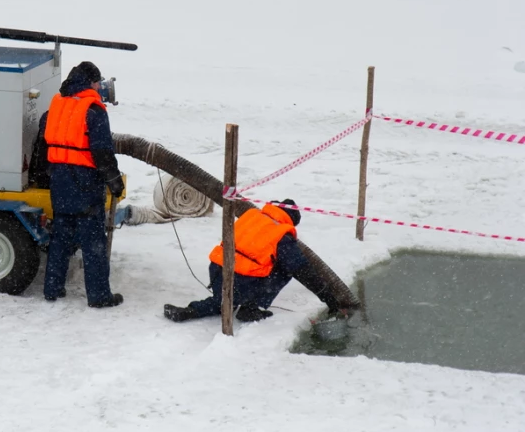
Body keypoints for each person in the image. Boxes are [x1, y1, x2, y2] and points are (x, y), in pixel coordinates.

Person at [163, 199, 349, 323]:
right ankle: (251, 308)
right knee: (288, 268)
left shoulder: (252, 216)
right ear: (290, 220)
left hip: (219, 271)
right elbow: (303, 271)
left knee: (224, 300)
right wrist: (330, 300)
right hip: (242, 280)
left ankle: (191, 311)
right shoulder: (280, 234)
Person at [42, 61, 126, 308]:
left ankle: (52, 289)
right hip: (85, 184)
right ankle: (99, 296)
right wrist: (115, 183)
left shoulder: (57, 104)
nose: (100, 86)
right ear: (90, 82)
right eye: (98, 81)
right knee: (93, 243)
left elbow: (44, 141)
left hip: (60, 181)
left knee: (60, 239)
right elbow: (102, 152)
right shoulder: (93, 110)